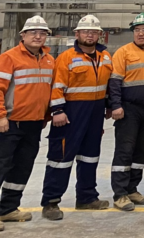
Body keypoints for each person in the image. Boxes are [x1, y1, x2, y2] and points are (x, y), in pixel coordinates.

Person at [0, 15, 55, 232]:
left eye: (42, 33)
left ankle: (9, 208)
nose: (38, 36)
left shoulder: (49, 60)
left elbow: (47, 91)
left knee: (22, 168)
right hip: (9, 123)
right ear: (23, 35)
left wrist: (45, 116)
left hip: (33, 124)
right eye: (33, 33)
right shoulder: (9, 58)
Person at [41, 14, 114, 220]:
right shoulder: (66, 57)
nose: (90, 35)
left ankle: (87, 197)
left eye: (94, 32)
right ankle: (51, 202)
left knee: (90, 156)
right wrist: (57, 111)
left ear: (100, 35)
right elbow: (57, 86)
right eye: (86, 31)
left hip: (95, 112)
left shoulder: (106, 57)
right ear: (77, 34)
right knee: (61, 158)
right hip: (71, 112)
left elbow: (107, 85)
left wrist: (108, 106)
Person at [108, 12, 144, 211]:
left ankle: (132, 189)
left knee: (142, 150)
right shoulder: (123, 52)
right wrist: (116, 105)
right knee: (125, 150)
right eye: (137, 30)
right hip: (128, 109)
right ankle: (120, 193)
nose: (140, 34)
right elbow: (114, 81)